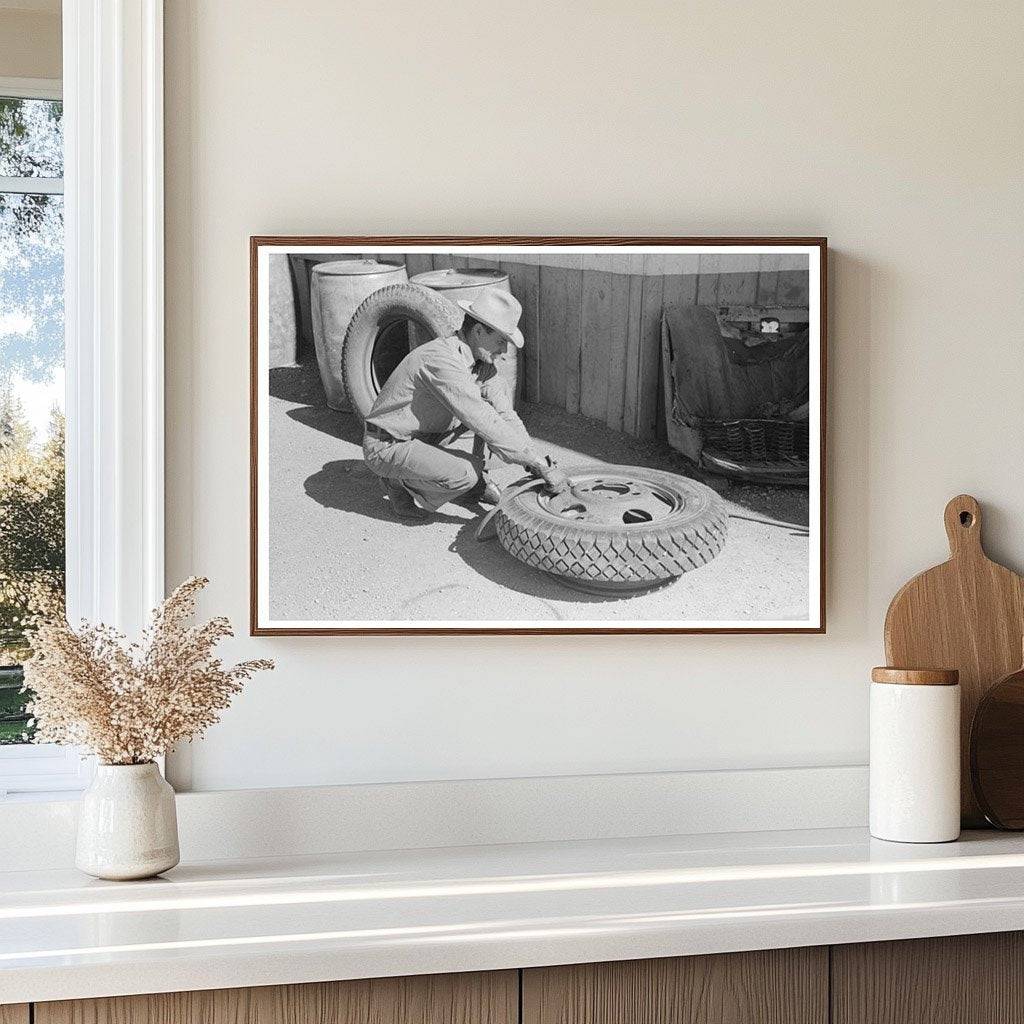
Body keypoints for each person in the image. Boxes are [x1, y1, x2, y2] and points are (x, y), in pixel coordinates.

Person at [362, 289, 567, 520]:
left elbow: (505, 415)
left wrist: (537, 462)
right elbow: (480, 418)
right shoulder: (441, 360)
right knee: (466, 473)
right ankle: (397, 482)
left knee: (497, 423)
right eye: (501, 341)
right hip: (387, 444)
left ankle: (474, 481)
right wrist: (535, 462)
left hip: (425, 436)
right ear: (478, 331)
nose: (504, 351)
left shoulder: (482, 364)